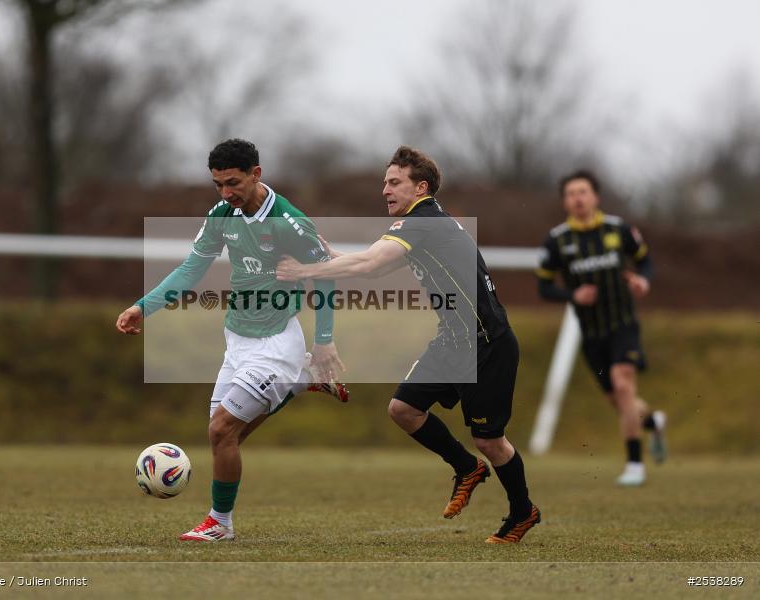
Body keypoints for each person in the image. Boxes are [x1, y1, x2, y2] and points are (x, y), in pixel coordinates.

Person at [277, 146, 540, 544]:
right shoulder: (426, 224)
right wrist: (331, 256)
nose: (385, 190)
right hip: (455, 341)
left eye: (394, 182)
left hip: (488, 344)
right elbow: (375, 267)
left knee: (490, 439)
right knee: (403, 409)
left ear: (421, 187)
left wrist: (304, 270)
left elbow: (367, 265)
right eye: (385, 182)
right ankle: (467, 468)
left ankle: (523, 512)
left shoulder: (422, 222)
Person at [116, 138, 348, 542]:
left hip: (277, 342)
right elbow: (192, 268)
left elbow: (325, 274)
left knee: (221, 430)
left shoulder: (288, 221)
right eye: (218, 185)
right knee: (227, 436)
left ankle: (219, 523)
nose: (226, 194)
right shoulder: (223, 214)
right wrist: (143, 307)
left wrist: (325, 339)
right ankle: (300, 381)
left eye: (233, 183)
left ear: (256, 174)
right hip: (238, 340)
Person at [536, 169, 666, 487]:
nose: (576, 198)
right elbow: (543, 287)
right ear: (565, 202)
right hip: (590, 334)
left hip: (623, 324)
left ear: (595, 196)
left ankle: (635, 464)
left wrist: (642, 280)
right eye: (570, 194)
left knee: (623, 386)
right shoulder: (557, 240)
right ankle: (652, 421)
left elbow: (645, 261)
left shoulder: (618, 230)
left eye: (582, 192)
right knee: (618, 400)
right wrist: (572, 295)